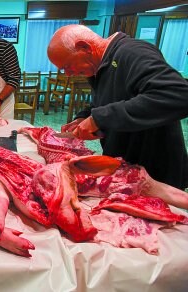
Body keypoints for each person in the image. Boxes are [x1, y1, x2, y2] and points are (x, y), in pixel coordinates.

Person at [48, 24, 188, 189]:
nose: (68, 74)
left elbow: (178, 94)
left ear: (84, 47)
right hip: (126, 169)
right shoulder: (98, 68)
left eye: (67, 66)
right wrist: (85, 116)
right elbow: (111, 100)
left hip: (155, 171)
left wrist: (101, 118)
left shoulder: (133, 52)